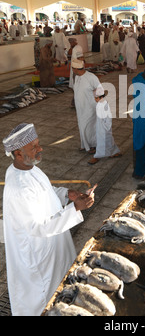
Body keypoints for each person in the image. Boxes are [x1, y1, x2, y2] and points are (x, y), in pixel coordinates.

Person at [2, 123, 95, 316]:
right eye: (33, 147)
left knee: (61, 291)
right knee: (45, 302)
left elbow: (45, 190)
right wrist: (76, 208)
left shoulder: (28, 168)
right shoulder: (19, 188)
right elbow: (38, 228)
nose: (40, 149)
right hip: (39, 257)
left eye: (38, 144)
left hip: (53, 245)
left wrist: (66, 194)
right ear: (18, 153)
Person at [72, 59, 103, 153]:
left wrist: (100, 104)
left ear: (75, 69)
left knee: (89, 127)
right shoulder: (77, 77)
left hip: (90, 107)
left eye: (72, 68)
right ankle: (85, 145)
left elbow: (100, 90)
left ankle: (93, 145)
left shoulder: (91, 77)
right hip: (80, 107)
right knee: (82, 125)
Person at [88, 86, 122, 165]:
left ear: (99, 97)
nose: (94, 99)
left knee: (102, 141)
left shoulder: (104, 104)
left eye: (95, 98)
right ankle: (114, 152)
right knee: (108, 140)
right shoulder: (101, 103)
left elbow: (108, 117)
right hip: (101, 126)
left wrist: (105, 127)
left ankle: (97, 156)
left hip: (104, 127)